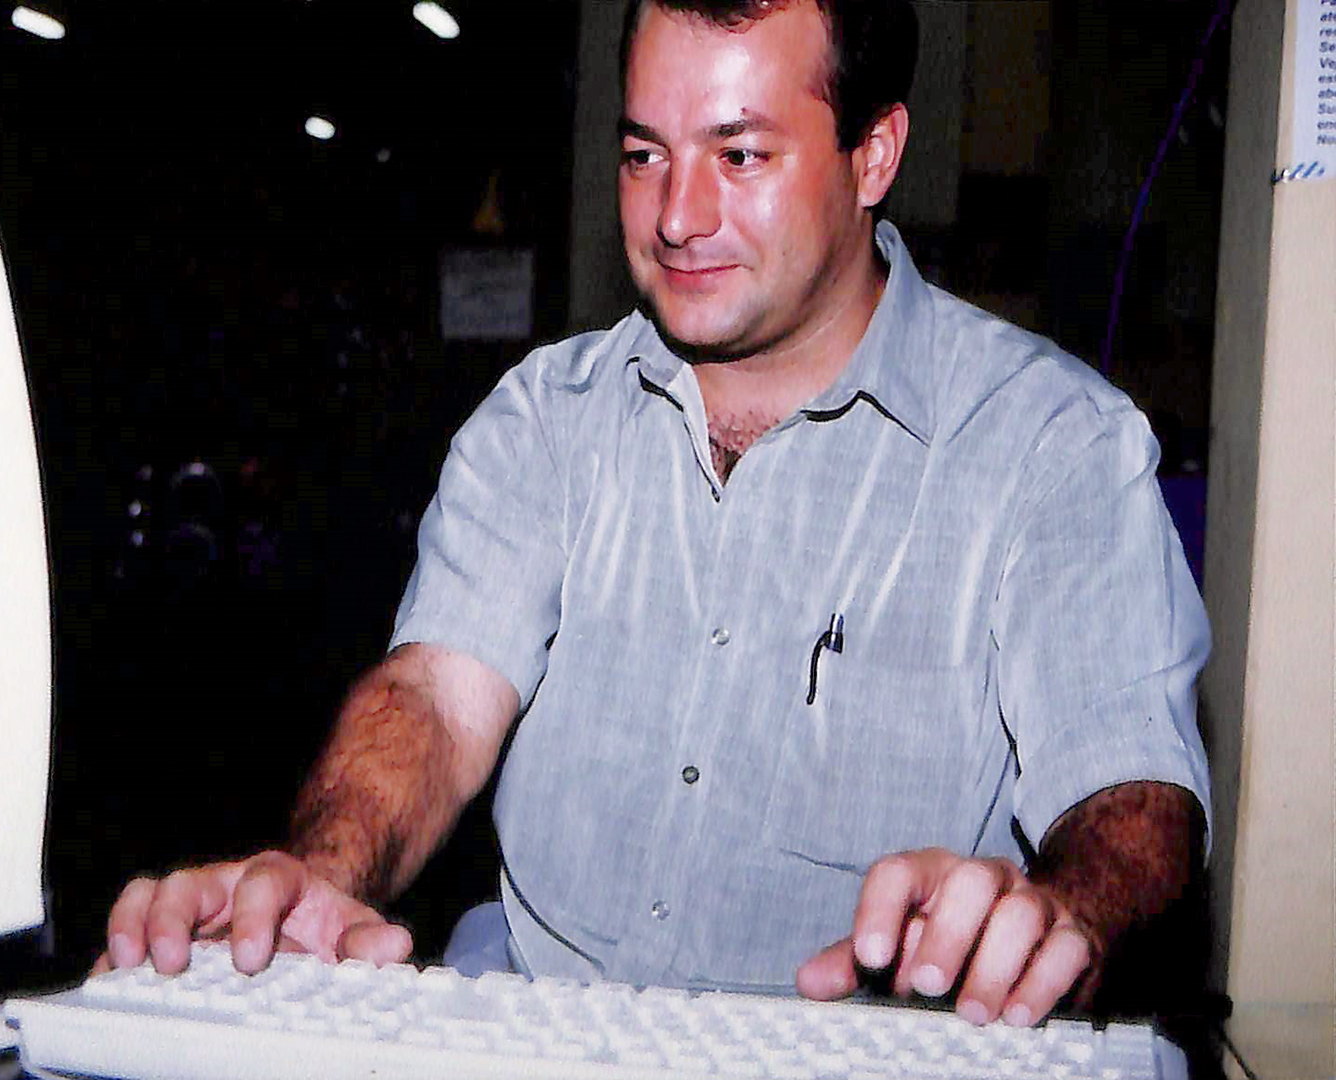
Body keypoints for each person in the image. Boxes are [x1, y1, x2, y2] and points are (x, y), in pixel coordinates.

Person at [100, 0, 1211, 1030]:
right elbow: (434, 699)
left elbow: (1128, 789)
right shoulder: (547, 417)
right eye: (644, 156)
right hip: (534, 1029)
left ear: (873, 154)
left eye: (740, 155)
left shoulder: (1049, 444)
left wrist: (1067, 908)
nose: (677, 217)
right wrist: (323, 873)